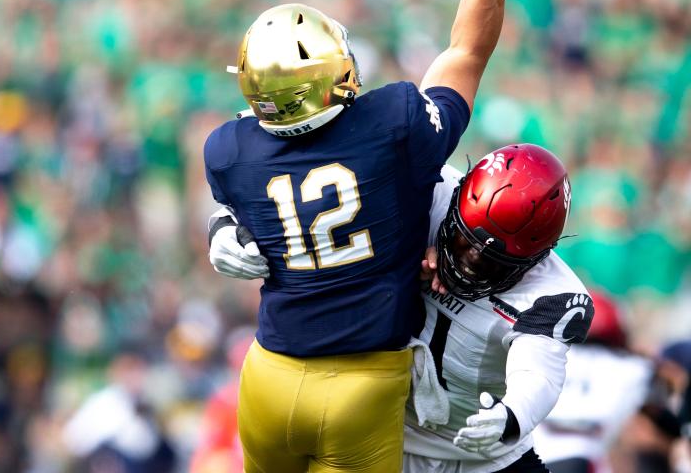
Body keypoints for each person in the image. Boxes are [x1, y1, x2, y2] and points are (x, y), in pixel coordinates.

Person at [203, 0, 515, 472]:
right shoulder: (393, 125)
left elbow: (237, 200)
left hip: (265, 377)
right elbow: (466, 52)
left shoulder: (228, 150)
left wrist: (220, 227)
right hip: (362, 380)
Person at [212, 143, 594, 472]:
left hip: (486, 458)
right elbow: (312, 192)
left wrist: (512, 416)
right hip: (380, 439)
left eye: (491, 262)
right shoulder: (428, 190)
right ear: (457, 201)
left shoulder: (551, 296)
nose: (469, 262)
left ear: (536, 259)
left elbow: (539, 371)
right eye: (463, 243)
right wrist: (226, 226)